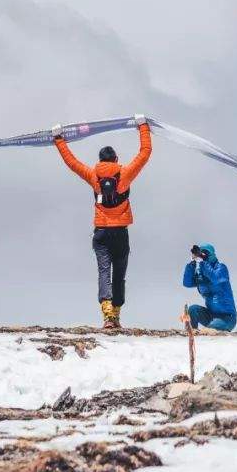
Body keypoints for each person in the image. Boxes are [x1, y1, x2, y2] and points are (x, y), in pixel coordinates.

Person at [51, 115, 151, 328]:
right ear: (115, 159)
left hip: (101, 233)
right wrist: (143, 126)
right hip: (121, 233)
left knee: (104, 272)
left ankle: (107, 316)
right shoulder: (124, 174)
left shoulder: (93, 176)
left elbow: (72, 162)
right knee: (119, 275)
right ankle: (116, 315)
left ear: (100, 160)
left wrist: (58, 139)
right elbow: (145, 154)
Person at [179, 243, 236, 333]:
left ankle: (203, 334)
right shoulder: (202, 273)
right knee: (193, 310)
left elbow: (215, 278)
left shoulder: (221, 268)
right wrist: (192, 264)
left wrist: (203, 262)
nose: (202, 256)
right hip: (211, 315)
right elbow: (187, 283)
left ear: (211, 254)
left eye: (204, 253)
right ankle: (191, 333)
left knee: (207, 331)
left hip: (227, 318)